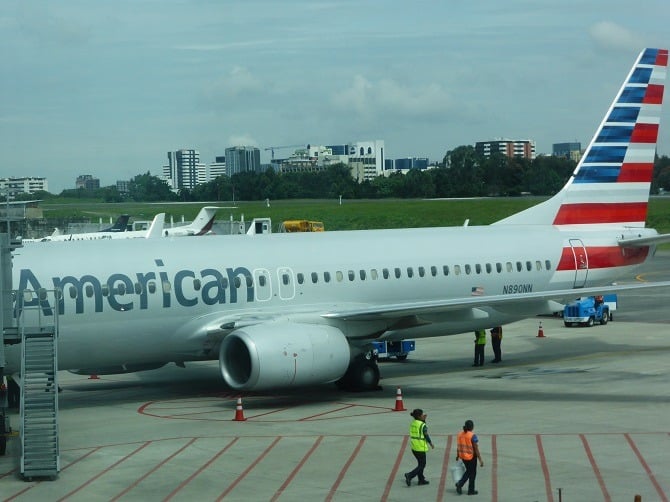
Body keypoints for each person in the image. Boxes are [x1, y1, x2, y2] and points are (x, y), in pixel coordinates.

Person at [404, 408, 434, 486]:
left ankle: (421, 480)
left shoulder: (413, 423)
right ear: (419, 416)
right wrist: (430, 443)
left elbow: (419, 428)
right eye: (422, 414)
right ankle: (410, 475)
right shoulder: (422, 424)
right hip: (420, 447)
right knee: (422, 465)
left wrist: (423, 420)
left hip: (414, 447)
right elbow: (425, 434)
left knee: (420, 464)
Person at [455, 419, 484, 495]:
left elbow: (458, 445)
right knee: (472, 473)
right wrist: (480, 459)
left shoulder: (459, 434)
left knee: (469, 471)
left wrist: (457, 455)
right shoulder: (472, 435)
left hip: (463, 456)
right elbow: (476, 448)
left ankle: (466, 487)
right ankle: (465, 487)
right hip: (471, 457)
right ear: (472, 427)